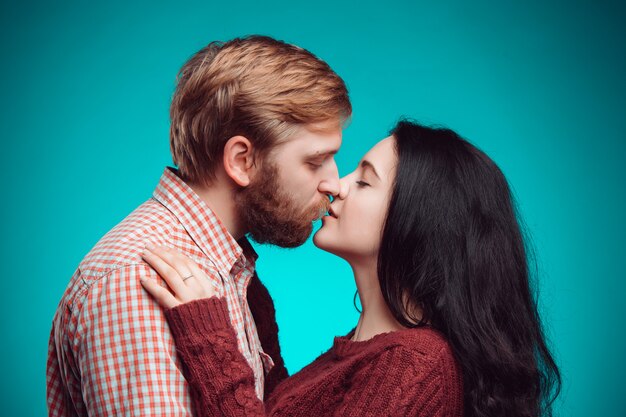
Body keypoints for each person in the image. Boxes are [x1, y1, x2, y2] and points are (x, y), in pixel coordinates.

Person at [141, 120, 562, 417]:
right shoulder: (374, 350)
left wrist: (209, 337)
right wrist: (254, 310)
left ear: (415, 219)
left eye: (364, 181)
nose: (334, 185)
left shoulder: (416, 366)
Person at [46, 35, 351, 416]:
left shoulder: (225, 271)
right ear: (242, 160)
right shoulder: (138, 282)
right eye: (315, 160)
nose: (334, 183)